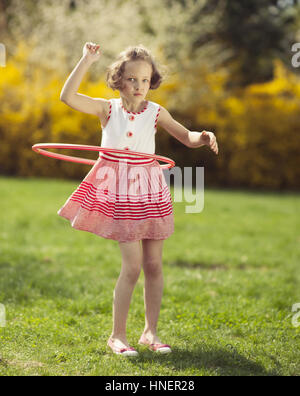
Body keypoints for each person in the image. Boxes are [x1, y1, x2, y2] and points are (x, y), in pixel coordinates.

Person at [57, 42, 218, 356]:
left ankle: (150, 333)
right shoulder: (107, 109)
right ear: (119, 81)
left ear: (152, 81)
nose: (139, 86)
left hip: (150, 189)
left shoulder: (157, 112)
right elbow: (68, 97)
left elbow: (186, 137)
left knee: (154, 264)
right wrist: (86, 59)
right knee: (131, 267)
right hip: (119, 191)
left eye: (145, 80)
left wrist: (204, 136)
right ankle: (117, 335)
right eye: (132, 79)